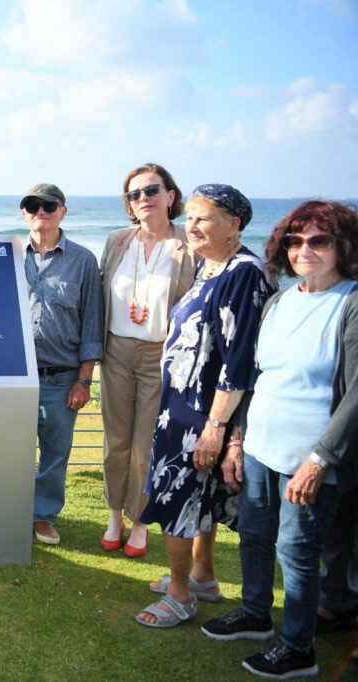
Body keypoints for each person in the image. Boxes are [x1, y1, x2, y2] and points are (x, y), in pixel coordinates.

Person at [201, 201, 358, 679]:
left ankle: (297, 648)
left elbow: (355, 395)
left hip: (310, 458)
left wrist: (319, 461)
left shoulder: (351, 303)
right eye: (294, 240)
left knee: (297, 551)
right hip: (259, 449)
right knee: (253, 535)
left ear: (343, 247)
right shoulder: (280, 300)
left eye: (319, 240)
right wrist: (235, 443)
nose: (303, 249)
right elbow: (259, 378)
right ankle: (254, 613)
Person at [136, 184, 275, 628]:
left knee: (175, 494)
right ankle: (202, 576)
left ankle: (180, 595)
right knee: (198, 496)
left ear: (234, 224)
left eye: (204, 217)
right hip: (180, 406)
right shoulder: (209, 265)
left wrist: (216, 426)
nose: (192, 225)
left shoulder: (243, 273)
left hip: (203, 412)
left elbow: (239, 359)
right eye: (190, 216)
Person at [99, 163, 196, 558]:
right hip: (116, 350)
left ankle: (140, 521)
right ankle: (114, 515)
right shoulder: (117, 240)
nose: (143, 200)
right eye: (134, 195)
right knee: (115, 441)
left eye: (151, 191)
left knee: (145, 443)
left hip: (162, 354)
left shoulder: (190, 243)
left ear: (171, 196)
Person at [20, 183, 104, 545]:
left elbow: (92, 323)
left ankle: (43, 516)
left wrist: (84, 380)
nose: (42, 210)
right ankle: (8, 510)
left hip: (60, 377)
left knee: (55, 453)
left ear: (63, 211)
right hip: (13, 377)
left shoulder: (83, 260)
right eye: (33, 205)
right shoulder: (5, 254)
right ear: (24, 213)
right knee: (10, 449)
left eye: (49, 205)